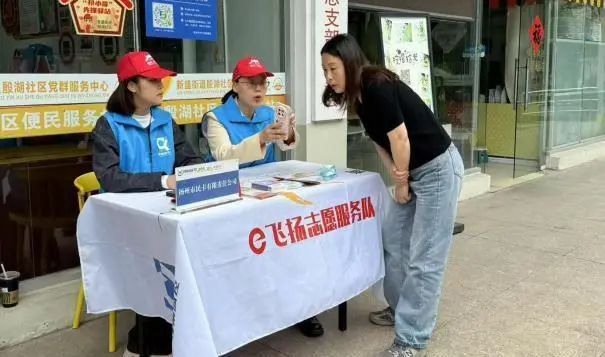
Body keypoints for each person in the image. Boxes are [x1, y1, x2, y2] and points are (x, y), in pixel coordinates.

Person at [321, 34, 464, 357]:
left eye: (332, 68)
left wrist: (401, 183)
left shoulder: (376, 86)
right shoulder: (358, 98)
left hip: (437, 170)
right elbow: (380, 141)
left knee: (425, 258)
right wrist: (397, 176)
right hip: (411, 170)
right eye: (324, 70)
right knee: (393, 242)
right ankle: (401, 308)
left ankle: (411, 340)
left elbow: (400, 138)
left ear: (350, 63)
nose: (328, 77)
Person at [202, 56, 325, 338]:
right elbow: (223, 155)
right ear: (235, 85)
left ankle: (301, 308)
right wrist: (259, 139)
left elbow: (287, 145)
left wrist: (289, 132)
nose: (259, 89)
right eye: (251, 83)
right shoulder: (215, 118)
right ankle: (241, 315)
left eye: (263, 83)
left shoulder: (270, 113)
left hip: (268, 191)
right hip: (230, 194)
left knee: (293, 245)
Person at [92, 51, 201, 357]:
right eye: (152, 80)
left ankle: (163, 338)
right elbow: (110, 177)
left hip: (165, 213)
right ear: (131, 86)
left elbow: (190, 159)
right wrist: (164, 180)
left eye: (160, 79)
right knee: (158, 263)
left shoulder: (165, 120)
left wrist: (193, 174)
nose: (160, 85)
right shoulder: (108, 125)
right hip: (125, 220)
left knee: (189, 252)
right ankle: (146, 342)